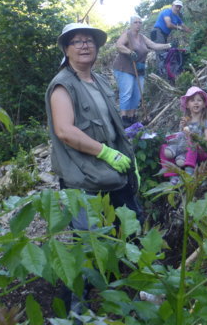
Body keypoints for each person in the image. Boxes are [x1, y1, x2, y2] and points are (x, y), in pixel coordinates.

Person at [45, 23, 143, 315]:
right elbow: (64, 130)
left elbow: (114, 127)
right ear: (66, 49)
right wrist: (105, 152)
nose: (84, 45)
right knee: (90, 245)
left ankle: (131, 297)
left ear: (97, 47)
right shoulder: (62, 85)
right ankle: (77, 310)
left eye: (89, 41)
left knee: (131, 229)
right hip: (84, 178)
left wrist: (128, 161)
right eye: (76, 42)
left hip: (115, 174)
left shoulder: (99, 80)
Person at [113, 15, 173, 127]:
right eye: (135, 22)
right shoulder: (127, 35)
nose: (138, 24)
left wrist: (168, 45)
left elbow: (154, 45)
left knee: (137, 94)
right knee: (127, 93)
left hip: (138, 69)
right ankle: (123, 117)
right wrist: (129, 52)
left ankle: (132, 117)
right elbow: (119, 45)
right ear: (131, 24)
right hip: (125, 68)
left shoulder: (142, 37)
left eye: (140, 22)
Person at [160, 86, 207, 184]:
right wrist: (182, 127)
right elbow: (181, 138)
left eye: (199, 100)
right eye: (192, 100)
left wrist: (194, 137)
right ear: (187, 105)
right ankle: (173, 176)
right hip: (184, 149)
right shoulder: (186, 120)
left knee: (191, 142)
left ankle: (189, 173)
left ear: (204, 104)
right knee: (164, 147)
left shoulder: (205, 121)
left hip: (199, 151)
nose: (196, 102)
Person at [150, 0, 190, 75]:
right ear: (172, 6)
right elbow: (168, 24)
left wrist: (190, 32)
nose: (178, 8)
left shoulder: (177, 17)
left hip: (164, 35)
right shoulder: (167, 12)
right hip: (157, 32)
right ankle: (161, 73)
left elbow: (184, 27)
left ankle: (167, 71)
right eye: (176, 6)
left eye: (179, 7)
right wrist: (179, 28)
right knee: (161, 53)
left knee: (165, 53)